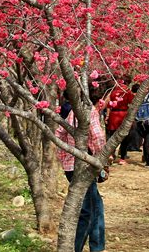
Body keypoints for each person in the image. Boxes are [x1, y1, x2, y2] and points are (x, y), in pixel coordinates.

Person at [57, 97, 108, 252]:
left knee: (96, 206)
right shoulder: (89, 111)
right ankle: (75, 247)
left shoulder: (73, 110)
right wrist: (102, 161)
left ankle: (97, 246)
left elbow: (59, 133)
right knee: (87, 211)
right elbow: (98, 137)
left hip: (71, 166)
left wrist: (64, 157)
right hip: (83, 166)